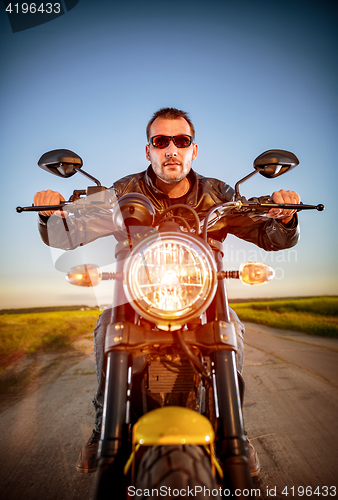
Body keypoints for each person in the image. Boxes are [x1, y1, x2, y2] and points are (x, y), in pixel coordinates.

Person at [34, 107, 300, 476]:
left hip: (204, 300)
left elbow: (268, 235)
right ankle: (102, 428)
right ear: (149, 150)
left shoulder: (219, 193)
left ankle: (235, 433)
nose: (171, 149)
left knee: (233, 327)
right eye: (161, 141)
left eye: (181, 141)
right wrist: (51, 214)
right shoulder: (121, 192)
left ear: (193, 150)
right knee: (105, 325)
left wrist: (282, 215)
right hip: (136, 300)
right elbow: (71, 231)